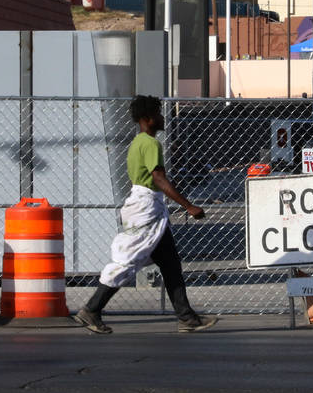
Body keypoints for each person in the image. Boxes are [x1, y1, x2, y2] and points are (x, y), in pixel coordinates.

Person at [74, 95, 218, 334]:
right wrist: (188, 206)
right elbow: (158, 178)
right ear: (147, 118)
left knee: (170, 263)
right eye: (159, 114)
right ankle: (91, 309)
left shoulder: (137, 143)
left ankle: (187, 317)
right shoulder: (151, 144)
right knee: (128, 261)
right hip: (147, 210)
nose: (163, 118)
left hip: (146, 209)